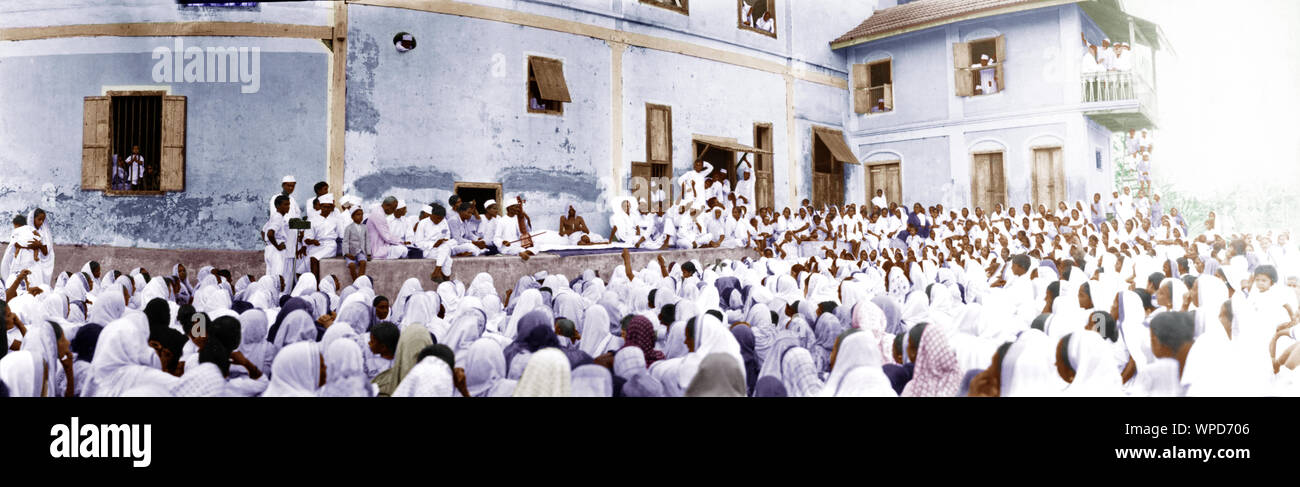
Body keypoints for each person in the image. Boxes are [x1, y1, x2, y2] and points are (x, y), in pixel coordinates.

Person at [341, 206, 369, 281]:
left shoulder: (365, 227)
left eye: (362, 215)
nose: (361, 217)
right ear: (352, 217)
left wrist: (368, 253)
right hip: (350, 252)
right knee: (351, 265)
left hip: (360, 251)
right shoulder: (348, 228)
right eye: (358, 215)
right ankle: (355, 281)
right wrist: (347, 253)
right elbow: (345, 242)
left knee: (363, 262)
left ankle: (359, 281)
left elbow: (367, 241)